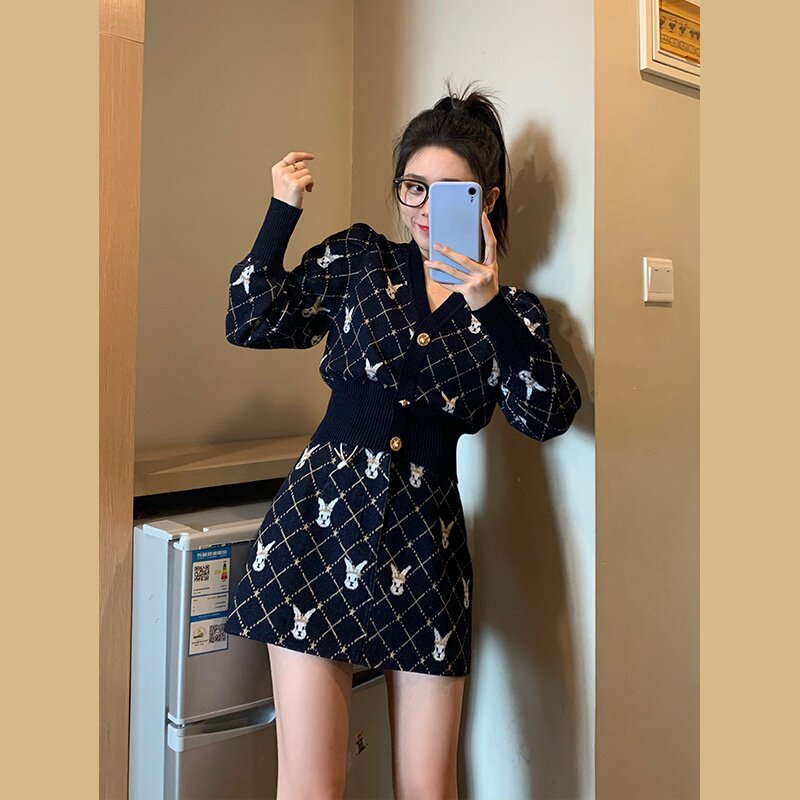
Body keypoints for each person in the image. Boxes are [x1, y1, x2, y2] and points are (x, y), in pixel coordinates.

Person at [223, 79, 582, 800]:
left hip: (426, 550)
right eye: (413, 187)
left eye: (449, 193)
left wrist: (486, 303)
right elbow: (251, 319)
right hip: (316, 537)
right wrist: (281, 212)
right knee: (311, 787)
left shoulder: (513, 312)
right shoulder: (361, 259)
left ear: (486, 202)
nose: (423, 208)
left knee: (427, 788)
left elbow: (547, 413)